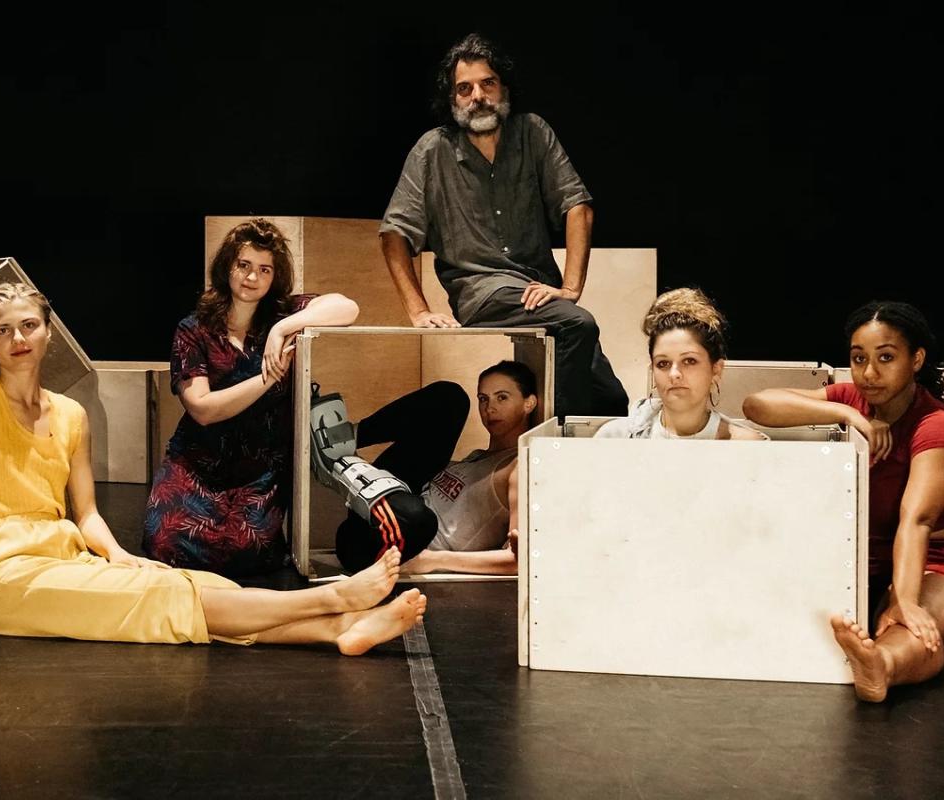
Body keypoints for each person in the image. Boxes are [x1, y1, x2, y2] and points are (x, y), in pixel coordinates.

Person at [0, 281, 426, 654]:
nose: (18, 339)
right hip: (6, 576)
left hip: (68, 555)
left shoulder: (71, 415)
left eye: (28, 326)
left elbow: (89, 514)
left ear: (45, 331)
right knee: (160, 601)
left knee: (175, 582)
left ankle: (336, 631)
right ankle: (329, 599)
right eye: (3, 330)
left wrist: (121, 554)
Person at [378, 33, 626, 419]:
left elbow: (577, 205)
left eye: (487, 83)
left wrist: (571, 286)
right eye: (464, 88)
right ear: (452, 100)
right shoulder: (433, 149)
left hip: (539, 288)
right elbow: (395, 233)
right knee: (578, 324)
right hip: (482, 290)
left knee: (610, 400)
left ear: (503, 89)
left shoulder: (532, 132)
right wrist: (417, 310)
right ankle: (552, 452)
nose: (477, 95)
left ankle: (572, 452)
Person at [743, 301, 944, 701]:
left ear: (916, 359)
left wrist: (904, 601)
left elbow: (916, 519)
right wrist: (845, 413)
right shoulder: (852, 400)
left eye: (886, 358)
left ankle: (879, 667)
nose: (869, 373)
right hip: (852, 560)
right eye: (858, 359)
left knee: (928, 624)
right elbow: (756, 405)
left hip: (925, 562)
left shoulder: (933, 423)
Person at [141, 219, 359, 577]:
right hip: (198, 461)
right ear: (227, 265)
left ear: (275, 276)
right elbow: (203, 409)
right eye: (244, 265)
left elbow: (347, 307)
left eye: (264, 269)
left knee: (247, 553)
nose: (252, 277)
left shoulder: (283, 313)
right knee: (163, 544)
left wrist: (282, 328)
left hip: (259, 466)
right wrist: (267, 377)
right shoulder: (193, 329)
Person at [315, 360, 538, 576]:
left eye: (502, 397)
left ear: (529, 403)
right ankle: (343, 441)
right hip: (379, 518)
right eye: (483, 398)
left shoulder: (519, 468)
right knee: (451, 398)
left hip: (393, 546)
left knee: (421, 519)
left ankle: (341, 466)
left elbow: (518, 559)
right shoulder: (479, 457)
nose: (490, 408)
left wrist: (432, 561)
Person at [595, 288, 766, 440]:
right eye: (663, 363)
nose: (674, 373)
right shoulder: (615, 438)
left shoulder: (743, 445)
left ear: (716, 370)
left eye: (689, 361)